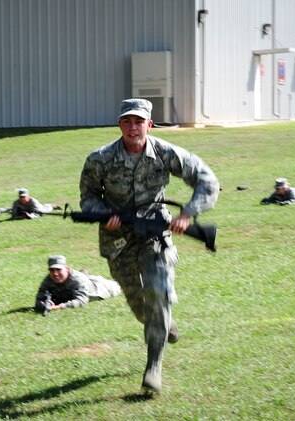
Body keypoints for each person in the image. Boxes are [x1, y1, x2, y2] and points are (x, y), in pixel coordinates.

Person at [79, 98, 219, 393]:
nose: (133, 128)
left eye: (139, 122)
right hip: (118, 240)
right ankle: (163, 323)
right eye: (127, 122)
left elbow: (207, 180)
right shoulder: (100, 159)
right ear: (119, 124)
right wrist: (104, 215)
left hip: (155, 232)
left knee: (158, 290)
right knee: (140, 305)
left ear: (149, 125)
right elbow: (88, 196)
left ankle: (153, 365)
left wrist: (187, 214)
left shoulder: (166, 153)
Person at [34, 255, 122, 313]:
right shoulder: (49, 279)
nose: (55, 273)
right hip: (83, 281)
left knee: (120, 285)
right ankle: (84, 273)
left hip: (101, 287)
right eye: (52, 270)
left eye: (58, 269)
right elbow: (38, 299)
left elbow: (81, 300)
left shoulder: (77, 279)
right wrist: (45, 303)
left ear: (67, 269)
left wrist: (59, 307)